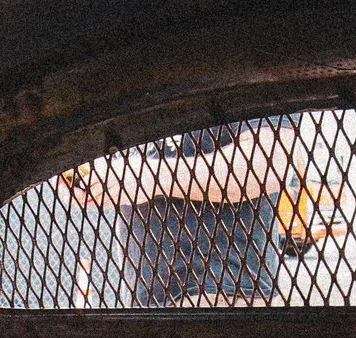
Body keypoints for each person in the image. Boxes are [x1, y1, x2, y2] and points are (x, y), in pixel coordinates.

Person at [61, 114, 304, 306]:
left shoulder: (240, 60)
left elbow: (267, 164)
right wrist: (91, 182)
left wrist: (148, 177)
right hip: (147, 292)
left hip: (221, 288)